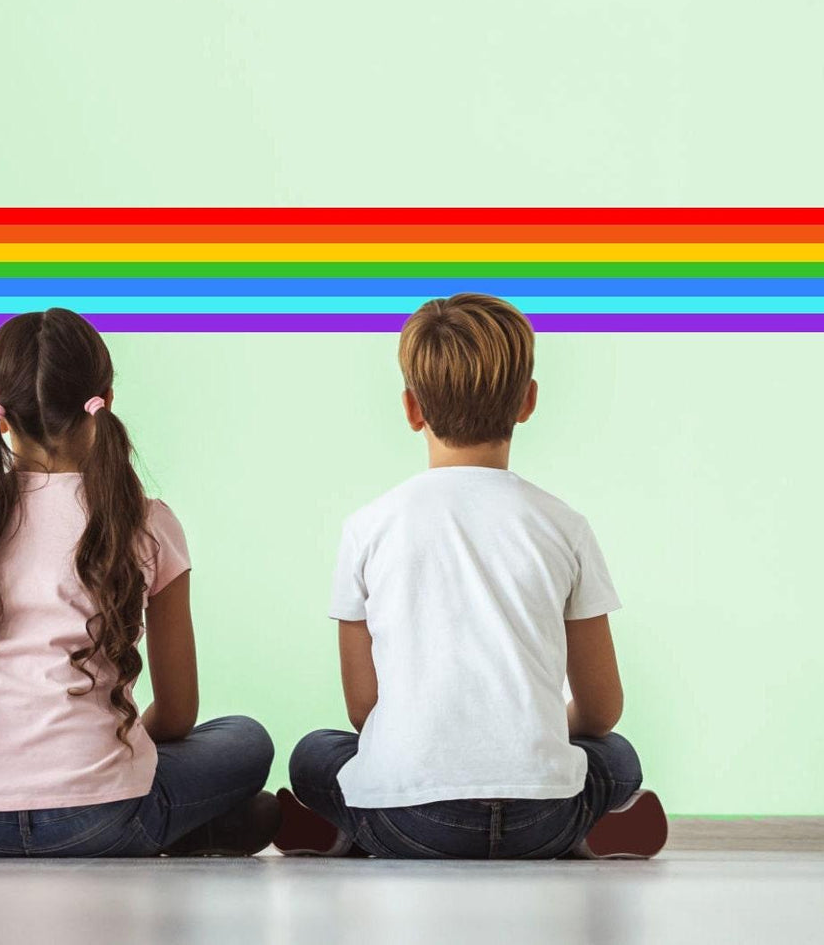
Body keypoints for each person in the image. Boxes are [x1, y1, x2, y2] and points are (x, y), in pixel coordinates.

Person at [275, 293, 666, 860]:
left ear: (411, 409)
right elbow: (602, 709)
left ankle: (349, 829)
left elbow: (363, 710)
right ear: (528, 402)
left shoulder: (367, 528)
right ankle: (583, 831)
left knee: (316, 753)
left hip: (407, 822)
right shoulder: (565, 526)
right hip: (542, 818)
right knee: (617, 757)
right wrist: (546, 726)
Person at [0, 308, 278, 857]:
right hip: (105, 820)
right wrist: (124, 747)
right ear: (106, 401)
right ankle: (194, 825)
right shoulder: (146, 521)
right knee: (244, 740)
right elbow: (177, 712)